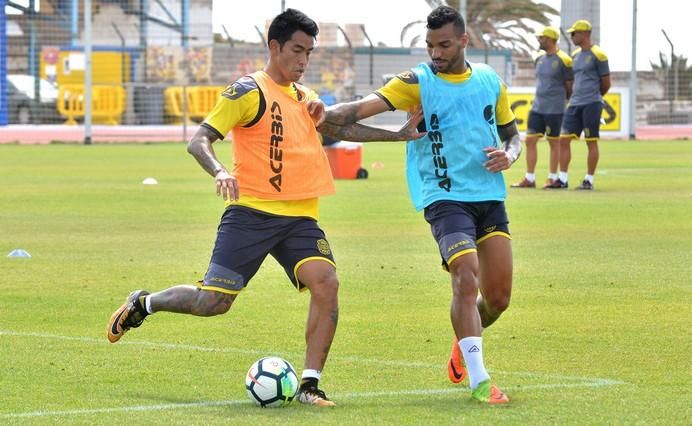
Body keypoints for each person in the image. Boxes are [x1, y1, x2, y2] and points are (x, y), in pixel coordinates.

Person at [106, 8, 422, 408]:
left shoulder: (306, 98)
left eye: (309, 52)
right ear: (274, 46)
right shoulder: (247, 91)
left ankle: (310, 385)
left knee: (327, 283)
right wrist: (220, 171)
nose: (304, 60)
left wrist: (400, 136)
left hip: (300, 218)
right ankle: (144, 303)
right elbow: (199, 141)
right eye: (297, 50)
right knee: (213, 303)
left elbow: (339, 129)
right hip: (251, 214)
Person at [324, 6, 520, 404]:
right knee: (466, 275)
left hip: (488, 195)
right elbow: (349, 116)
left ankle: (465, 343)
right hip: (444, 196)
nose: (436, 53)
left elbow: (513, 135)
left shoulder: (490, 81)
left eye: (444, 45)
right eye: (430, 45)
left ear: (465, 41)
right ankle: (480, 380)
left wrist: (510, 155)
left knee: (498, 298)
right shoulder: (416, 81)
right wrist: (321, 114)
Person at [512, 26, 573, 189]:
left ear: (552, 39)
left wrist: (562, 101)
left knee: (554, 142)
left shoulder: (565, 60)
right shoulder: (539, 58)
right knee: (530, 140)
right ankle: (529, 178)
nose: (539, 40)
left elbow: (569, 86)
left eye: (542, 38)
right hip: (538, 107)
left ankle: (553, 177)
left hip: (556, 109)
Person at [554, 19, 610, 190]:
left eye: (574, 33)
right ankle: (562, 179)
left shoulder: (599, 55)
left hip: (592, 103)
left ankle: (589, 180)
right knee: (563, 140)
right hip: (575, 103)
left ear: (585, 34)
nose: (571, 36)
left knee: (591, 141)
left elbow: (606, 83)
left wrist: (594, 97)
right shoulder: (575, 56)